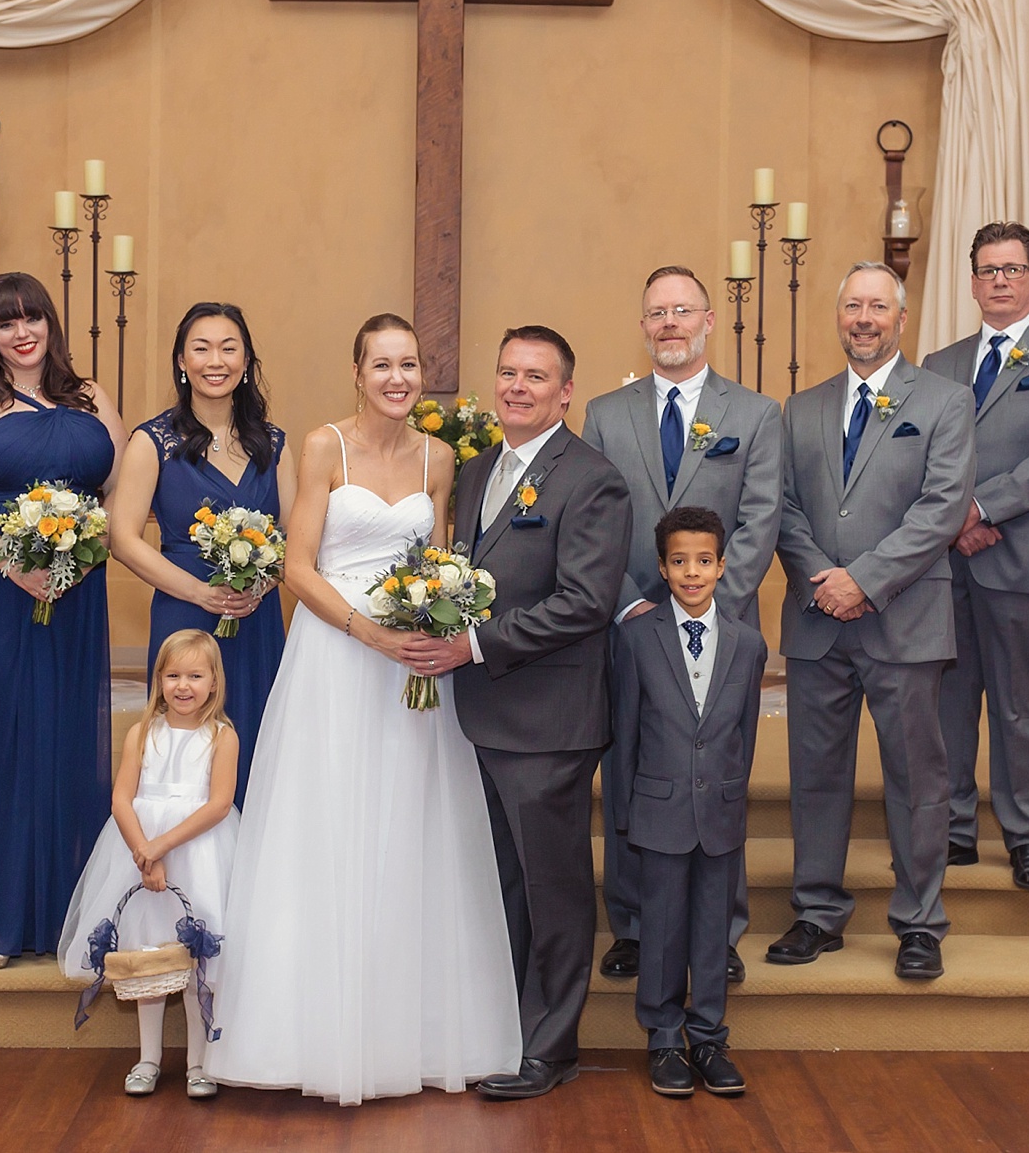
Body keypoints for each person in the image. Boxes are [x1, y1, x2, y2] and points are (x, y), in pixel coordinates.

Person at [206, 314, 521, 1106]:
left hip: (414, 666)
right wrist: (370, 632)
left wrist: (432, 617)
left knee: (412, 830)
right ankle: (311, 1032)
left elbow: (441, 556)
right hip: (338, 659)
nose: (397, 377)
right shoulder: (323, 447)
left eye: (409, 364)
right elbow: (298, 566)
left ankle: (409, 1030)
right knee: (331, 827)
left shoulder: (441, 456)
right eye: (382, 363)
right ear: (357, 371)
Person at [402, 326, 634, 1101]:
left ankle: (554, 1046)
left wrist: (471, 646)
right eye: (508, 372)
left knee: (554, 887)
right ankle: (512, 1027)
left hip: (551, 722)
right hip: (484, 717)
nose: (518, 386)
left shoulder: (592, 479)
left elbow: (585, 602)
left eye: (537, 376)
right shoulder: (475, 473)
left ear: (566, 391)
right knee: (505, 884)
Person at [769, 261, 973, 981]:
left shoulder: (946, 401)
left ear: (901, 318)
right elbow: (782, 507)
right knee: (815, 776)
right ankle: (817, 911)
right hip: (819, 619)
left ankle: (919, 919)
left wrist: (867, 580)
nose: (864, 317)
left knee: (916, 775)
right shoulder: (801, 408)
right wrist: (825, 580)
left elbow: (942, 507)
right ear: (839, 315)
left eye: (877, 306)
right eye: (852, 304)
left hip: (905, 620)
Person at [0, 273, 127, 966]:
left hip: (73, 590)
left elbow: (118, 492)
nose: (22, 331)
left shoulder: (91, 396)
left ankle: (59, 911)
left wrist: (84, 557)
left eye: (33, 316)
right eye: (7, 321)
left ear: (51, 323)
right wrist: (15, 561)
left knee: (62, 738)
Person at [583, 266, 781, 987]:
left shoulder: (755, 414)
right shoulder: (607, 412)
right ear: (643, 325)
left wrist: (709, 602)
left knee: (717, 774)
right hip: (632, 624)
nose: (670, 322)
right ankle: (635, 924)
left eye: (682, 310)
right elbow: (597, 518)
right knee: (635, 770)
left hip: (719, 625)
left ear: (707, 321)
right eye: (657, 312)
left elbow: (761, 519)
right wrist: (634, 604)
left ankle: (716, 929)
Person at [921, 223, 1029, 892]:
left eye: (1013, 268)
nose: (1000, 279)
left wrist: (981, 509)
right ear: (972, 282)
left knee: (1020, 703)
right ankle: (953, 827)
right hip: (944, 561)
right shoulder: (937, 364)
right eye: (989, 269)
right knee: (948, 699)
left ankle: (1028, 834)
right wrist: (953, 518)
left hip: (1019, 554)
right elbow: (921, 456)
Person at [611, 507, 768, 1100]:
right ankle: (665, 1038)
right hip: (658, 808)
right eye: (680, 561)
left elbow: (745, 736)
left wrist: (735, 798)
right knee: (663, 929)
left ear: (723, 566)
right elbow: (626, 730)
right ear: (662, 567)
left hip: (720, 812)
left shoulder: (749, 644)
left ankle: (707, 1036)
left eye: (704, 561)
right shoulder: (636, 638)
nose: (692, 572)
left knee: (711, 930)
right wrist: (627, 811)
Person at [109, 303, 293, 806]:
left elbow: (295, 540)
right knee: (187, 750)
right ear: (181, 361)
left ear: (247, 359)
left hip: (255, 618)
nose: (217, 360)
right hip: (184, 611)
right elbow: (122, 538)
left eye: (229, 348)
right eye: (202, 348)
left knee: (257, 739)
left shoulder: (273, 445)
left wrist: (261, 584)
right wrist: (199, 592)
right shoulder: (152, 441)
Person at [60, 629, 240, 1100]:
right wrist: (143, 850)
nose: (184, 685)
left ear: (214, 682)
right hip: (135, 849)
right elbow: (122, 798)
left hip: (200, 852)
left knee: (197, 960)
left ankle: (201, 1062)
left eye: (195, 675)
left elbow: (219, 804)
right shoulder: (143, 733)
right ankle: (148, 1059)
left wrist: (160, 847)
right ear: (158, 679)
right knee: (149, 958)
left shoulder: (223, 737)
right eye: (173, 674)